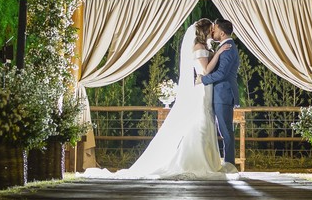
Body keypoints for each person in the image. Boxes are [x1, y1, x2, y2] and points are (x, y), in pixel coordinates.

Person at [83, 19, 239, 180]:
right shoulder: (200, 48)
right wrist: (217, 54)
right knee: (201, 124)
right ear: (206, 31)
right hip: (202, 89)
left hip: (208, 89)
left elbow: (214, 70)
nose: (213, 32)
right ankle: (198, 161)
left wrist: (216, 54)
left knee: (208, 124)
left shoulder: (210, 47)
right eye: (211, 29)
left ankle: (210, 161)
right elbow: (206, 71)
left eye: (215, 29)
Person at [197, 19, 241, 168]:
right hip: (220, 93)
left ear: (222, 33)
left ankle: (229, 164)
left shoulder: (228, 48)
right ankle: (226, 163)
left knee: (226, 131)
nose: (213, 32)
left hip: (223, 94)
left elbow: (222, 73)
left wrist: (203, 80)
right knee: (224, 130)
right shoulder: (225, 47)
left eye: (214, 29)